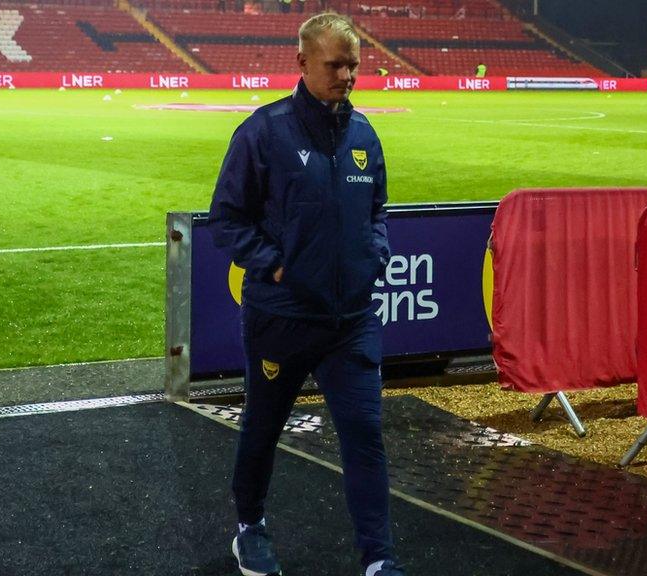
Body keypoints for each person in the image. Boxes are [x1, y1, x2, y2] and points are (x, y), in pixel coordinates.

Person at [208, 12, 404, 576]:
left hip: (352, 321)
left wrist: (376, 253)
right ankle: (249, 528)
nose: (346, 75)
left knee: (366, 437)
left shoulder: (365, 133)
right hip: (283, 318)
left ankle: (379, 558)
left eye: (353, 65)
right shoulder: (263, 133)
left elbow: (377, 211)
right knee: (263, 428)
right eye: (334, 64)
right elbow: (228, 217)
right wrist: (273, 267)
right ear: (301, 62)